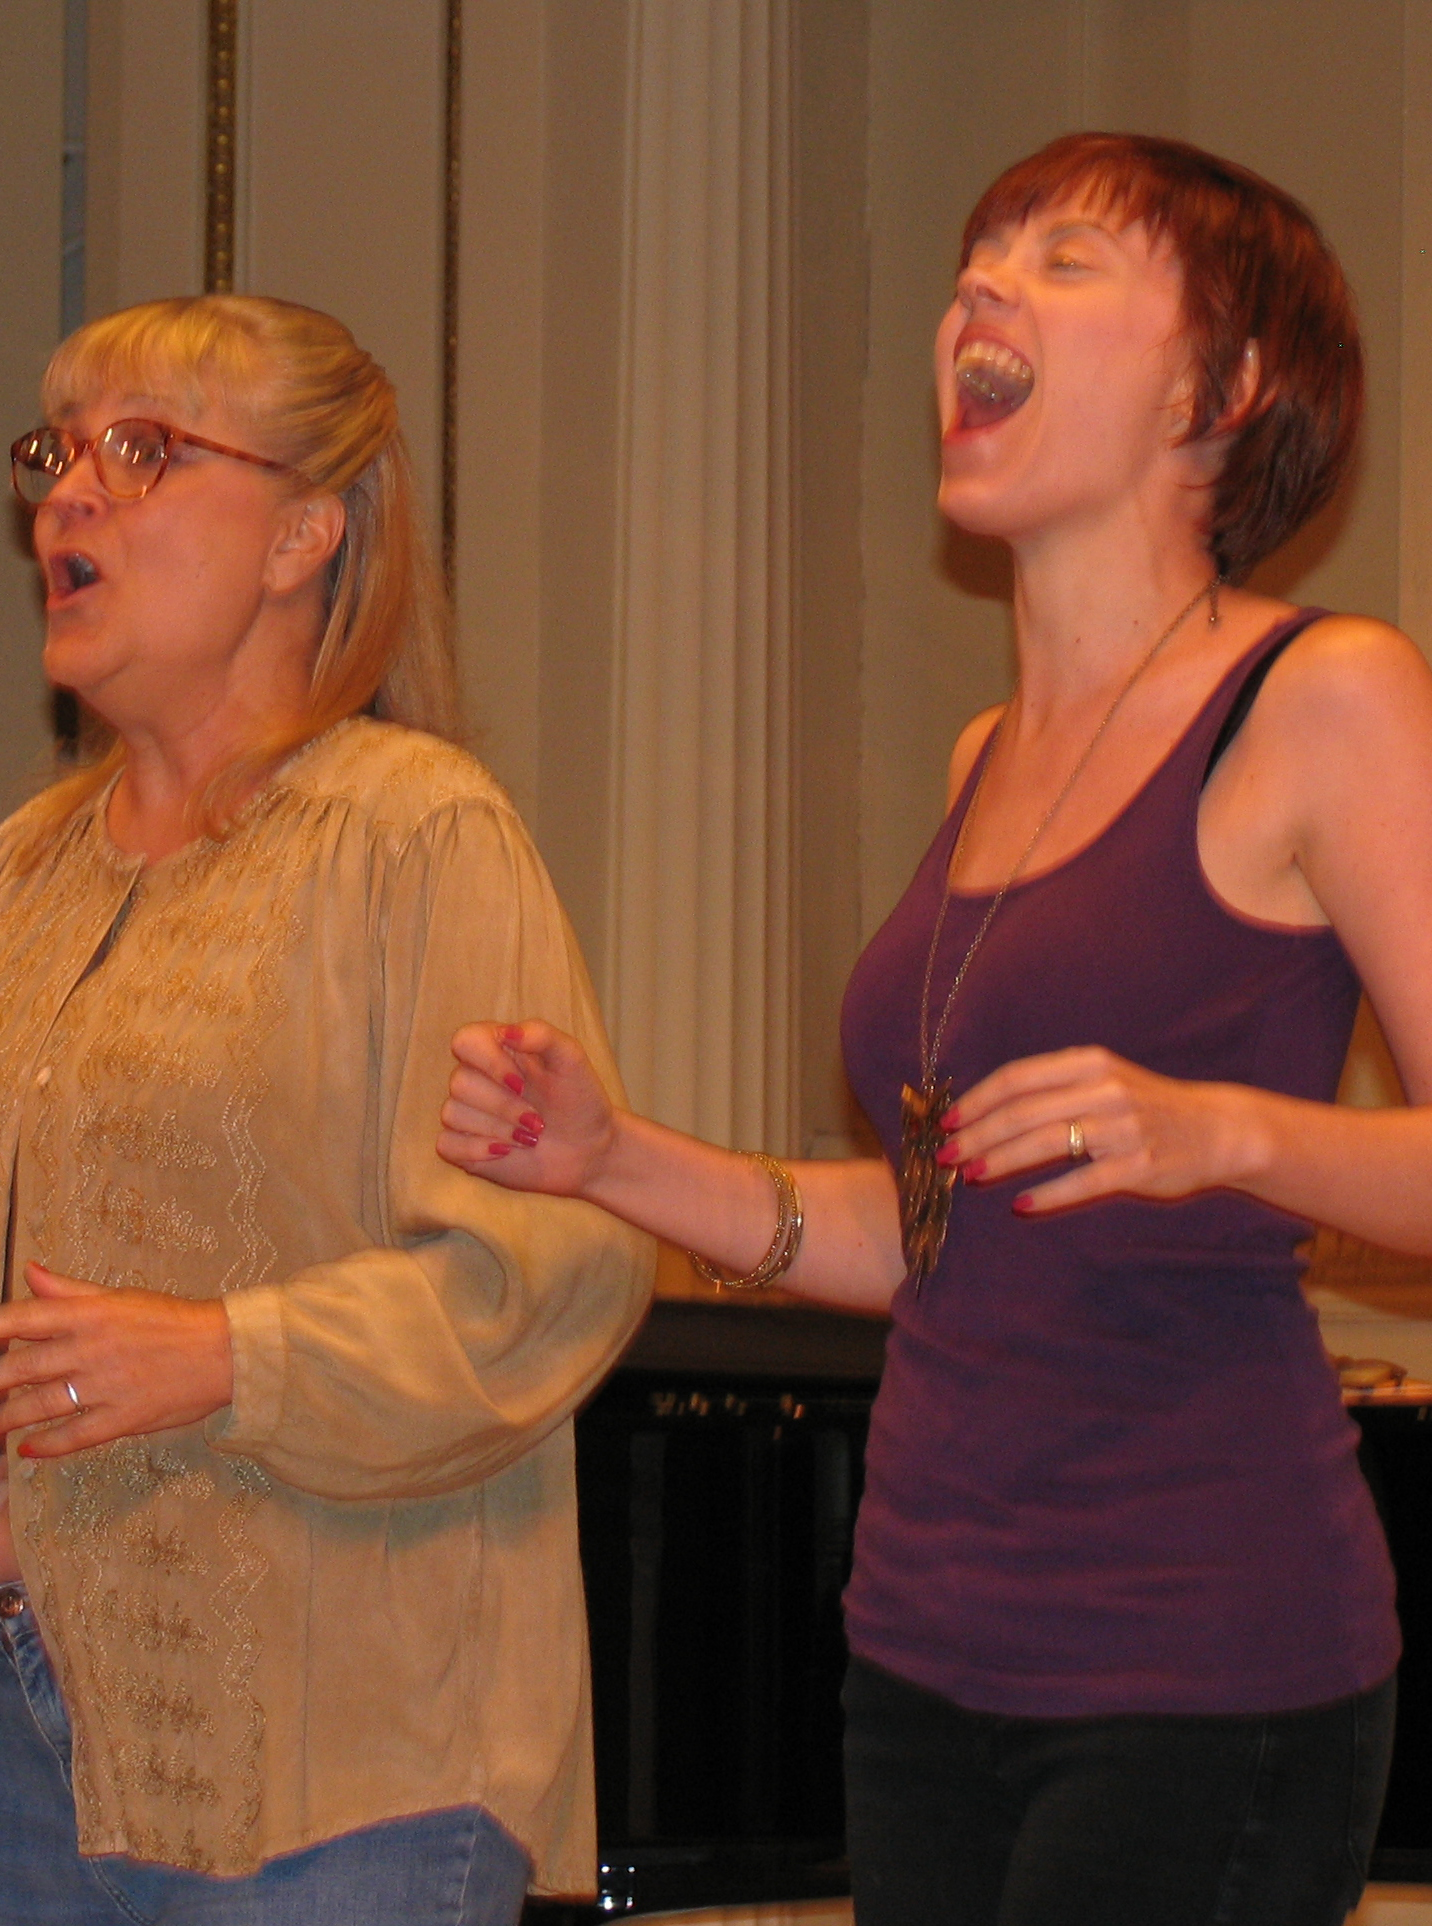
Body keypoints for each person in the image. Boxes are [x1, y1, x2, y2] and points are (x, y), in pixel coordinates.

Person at [440, 134, 1420, 1926]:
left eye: (1063, 259)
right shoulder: (987, 759)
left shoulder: (1322, 696)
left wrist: (1227, 1133)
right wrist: (614, 1155)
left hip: (1200, 1659)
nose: (981, 287)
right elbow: (942, 1230)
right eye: (980, 254)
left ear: (1226, 385)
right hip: (923, 1651)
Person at [0, 292, 656, 1924]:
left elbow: (549, 1275)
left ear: (306, 531)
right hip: (12, 1744)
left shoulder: (416, 835)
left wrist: (224, 1352)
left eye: (140, 452)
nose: (64, 495)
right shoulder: (30, 863)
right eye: (55, 454)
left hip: (334, 1764)